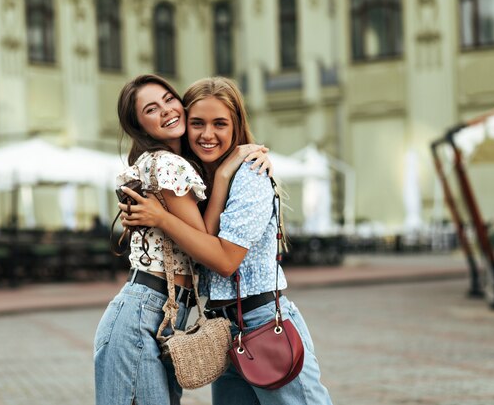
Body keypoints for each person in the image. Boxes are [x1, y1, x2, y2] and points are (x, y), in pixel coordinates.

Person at [120, 77, 333, 405]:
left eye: (220, 124)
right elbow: (193, 238)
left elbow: (224, 259)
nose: (207, 134)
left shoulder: (250, 175)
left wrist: (163, 217)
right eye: (197, 123)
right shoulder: (194, 183)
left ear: (236, 128)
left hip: (263, 323)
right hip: (223, 330)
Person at [93, 74, 271, 405]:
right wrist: (223, 173)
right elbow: (206, 244)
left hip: (160, 315)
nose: (166, 111)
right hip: (144, 313)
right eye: (151, 109)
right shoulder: (167, 164)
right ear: (140, 126)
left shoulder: (176, 164)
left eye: (168, 99)